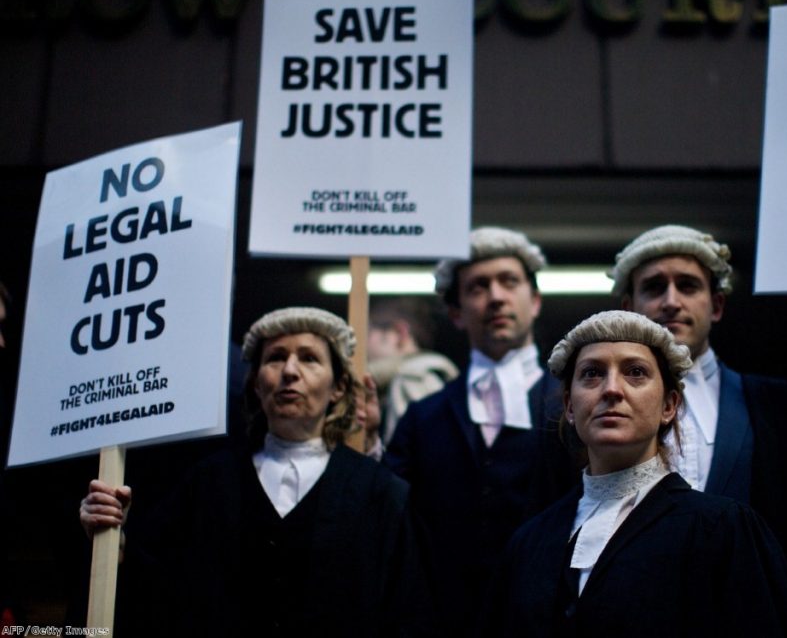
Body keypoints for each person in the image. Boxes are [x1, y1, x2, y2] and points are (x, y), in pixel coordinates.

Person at [608, 224, 787, 635]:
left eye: (688, 286)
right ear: (629, 305)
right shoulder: (599, 414)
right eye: (654, 287)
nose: (671, 301)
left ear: (716, 305)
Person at [79, 307, 434, 636]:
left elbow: (407, 615)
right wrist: (115, 539)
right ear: (255, 383)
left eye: (309, 359)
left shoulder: (381, 492)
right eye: (276, 358)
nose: (290, 371)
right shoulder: (208, 482)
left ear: (338, 387)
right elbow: (157, 589)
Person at [484, 310, 787, 637]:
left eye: (635, 372)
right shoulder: (529, 543)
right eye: (592, 373)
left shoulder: (723, 529)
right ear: (569, 406)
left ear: (669, 405)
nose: (611, 389)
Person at [384, 227, 578, 637]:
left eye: (509, 281)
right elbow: (392, 525)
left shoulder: (575, 406)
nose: (495, 296)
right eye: (477, 287)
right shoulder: (422, 417)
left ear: (536, 300)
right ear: (455, 312)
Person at [367, 296, 458, 445]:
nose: (362, 345)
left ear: (400, 333)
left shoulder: (413, 380)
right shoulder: (425, 377)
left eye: (368, 333)